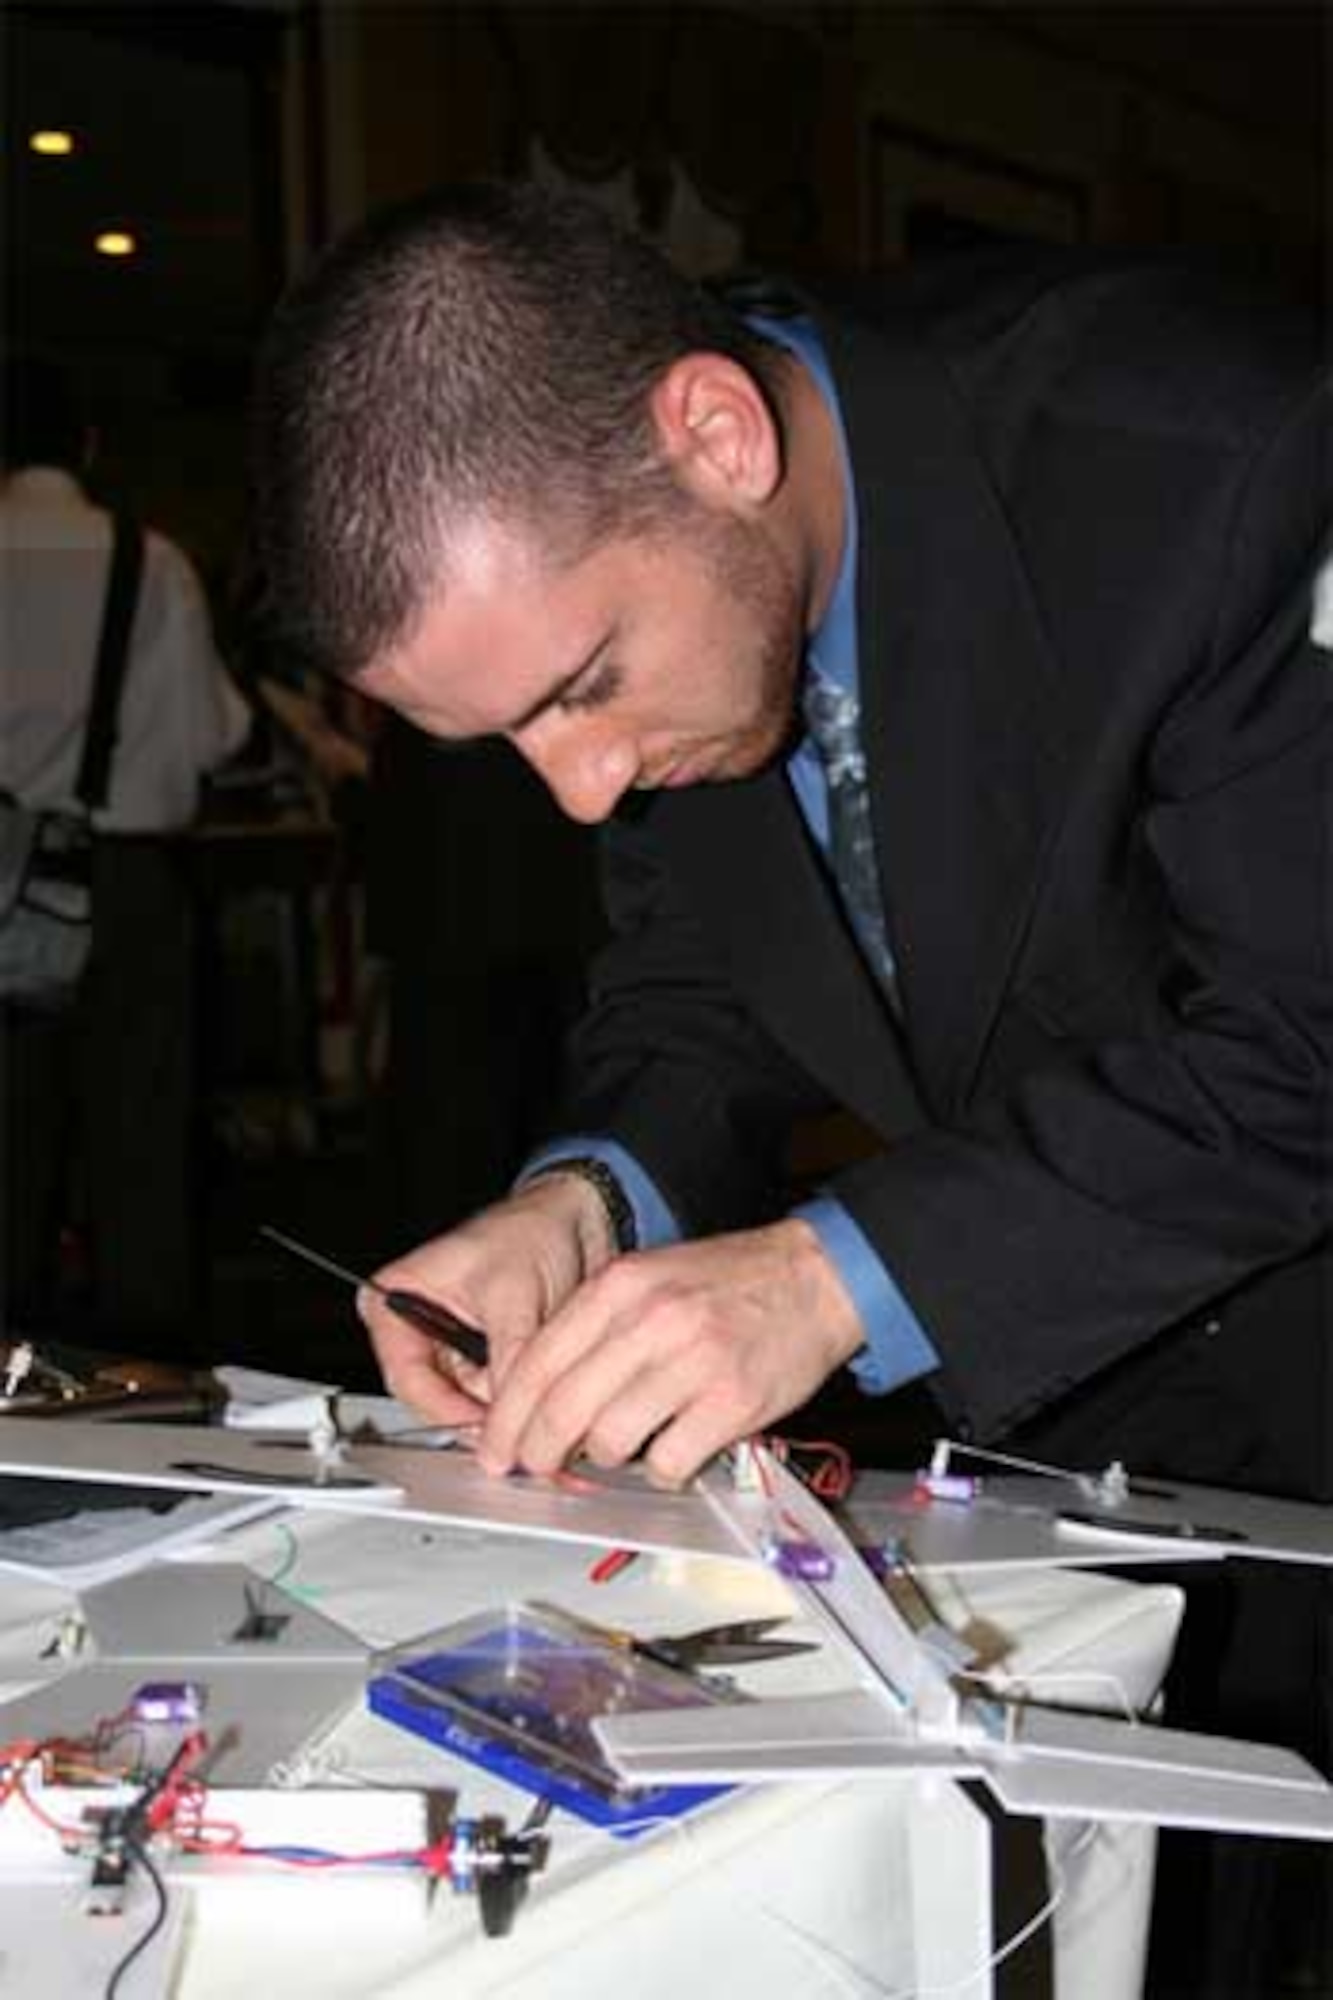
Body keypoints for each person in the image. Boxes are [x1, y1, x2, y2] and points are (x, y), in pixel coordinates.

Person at [249, 185, 1329, 1990]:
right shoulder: (676, 592)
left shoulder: (1221, 455)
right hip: (1093, 1413)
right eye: (508, 740)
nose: (581, 790)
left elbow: (1306, 1037)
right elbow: (706, 979)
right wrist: (580, 1200)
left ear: (717, 435)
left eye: (583, 690)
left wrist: (826, 1275)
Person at [1, 355, 251, 1346]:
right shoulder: (147, 562)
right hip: (123, 880)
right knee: (139, 1147)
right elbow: (214, 735)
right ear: (91, 448)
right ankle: (145, 1384)